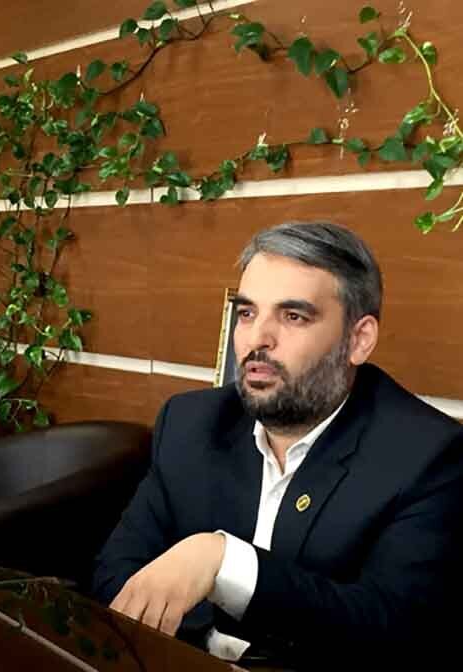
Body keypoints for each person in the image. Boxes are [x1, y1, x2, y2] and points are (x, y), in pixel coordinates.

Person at [93, 221, 463, 667]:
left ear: (358, 340)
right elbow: (117, 575)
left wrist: (224, 563)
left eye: (293, 316)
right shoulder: (190, 423)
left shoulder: (429, 456)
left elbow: (392, 632)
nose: (257, 339)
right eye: (247, 313)